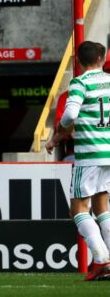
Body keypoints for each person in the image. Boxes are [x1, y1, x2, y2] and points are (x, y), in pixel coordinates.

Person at [46, 41, 110, 281]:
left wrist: (61, 127)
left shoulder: (80, 83)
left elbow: (71, 114)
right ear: (101, 57)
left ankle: (102, 260)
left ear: (79, 61)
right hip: (109, 152)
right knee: (102, 206)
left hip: (90, 155)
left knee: (78, 209)